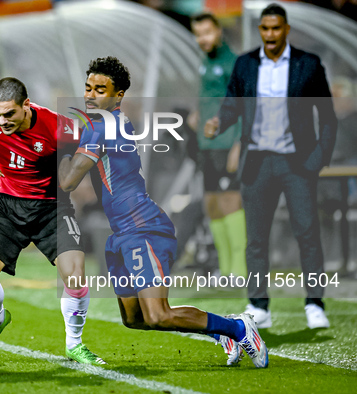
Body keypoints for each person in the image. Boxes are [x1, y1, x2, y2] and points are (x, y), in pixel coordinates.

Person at [58, 56, 268, 368]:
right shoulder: (110, 123)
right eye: (87, 88)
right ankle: (222, 329)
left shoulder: (102, 126)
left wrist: (50, 149)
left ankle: (240, 329)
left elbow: (67, 181)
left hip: (143, 228)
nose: (90, 95)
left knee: (159, 314)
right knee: (135, 319)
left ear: (119, 96)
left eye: (100, 89)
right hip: (123, 234)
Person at [0, 52, 105, 364]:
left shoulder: (57, 127)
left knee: (75, 276)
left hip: (51, 209)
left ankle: (74, 344)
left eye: (9, 114)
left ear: (27, 105)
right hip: (7, 207)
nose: (2, 121)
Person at [205, 3, 337, 329]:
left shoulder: (308, 65)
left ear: (286, 29)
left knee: (307, 233)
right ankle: (259, 304)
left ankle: (314, 303)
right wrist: (219, 124)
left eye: (276, 28)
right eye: (265, 29)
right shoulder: (246, 64)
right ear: (261, 30)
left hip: (297, 164)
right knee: (256, 238)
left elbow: (329, 119)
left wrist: (317, 160)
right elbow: (232, 106)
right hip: (258, 163)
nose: (270, 35)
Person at [191, 13, 247, 280]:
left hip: (228, 144)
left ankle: (239, 269)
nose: (204, 39)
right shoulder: (205, 62)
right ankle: (224, 270)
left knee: (231, 203)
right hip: (207, 145)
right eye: (199, 34)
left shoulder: (233, 62)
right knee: (212, 204)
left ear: (219, 32)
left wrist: (239, 144)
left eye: (208, 33)